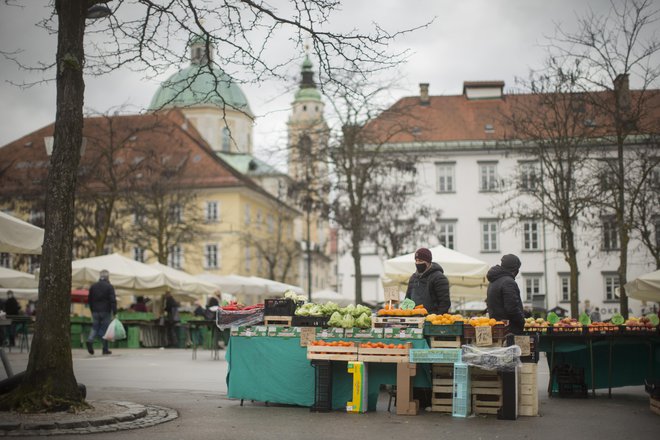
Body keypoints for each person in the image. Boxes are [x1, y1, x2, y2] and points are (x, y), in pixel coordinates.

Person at [486, 254, 525, 335]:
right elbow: (512, 308)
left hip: (497, 327)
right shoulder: (508, 282)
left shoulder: (493, 281)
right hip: (509, 330)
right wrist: (522, 321)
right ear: (515, 269)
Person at [405, 247, 451, 314]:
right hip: (414, 319)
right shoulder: (413, 278)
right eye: (416, 260)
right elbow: (408, 299)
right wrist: (405, 314)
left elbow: (444, 303)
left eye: (420, 261)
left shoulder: (439, 278)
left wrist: (435, 319)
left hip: (431, 321)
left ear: (428, 262)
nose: (417, 263)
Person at [86, 269, 117, 355]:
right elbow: (112, 300)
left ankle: (90, 340)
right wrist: (114, 311)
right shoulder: (109, 287)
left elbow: (89, 300)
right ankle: (105, 348)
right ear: (107, 277)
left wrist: (92, 310)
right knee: (105, 329)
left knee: (95, 327)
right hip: (106, 311)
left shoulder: (93, 286)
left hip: (95, 311)